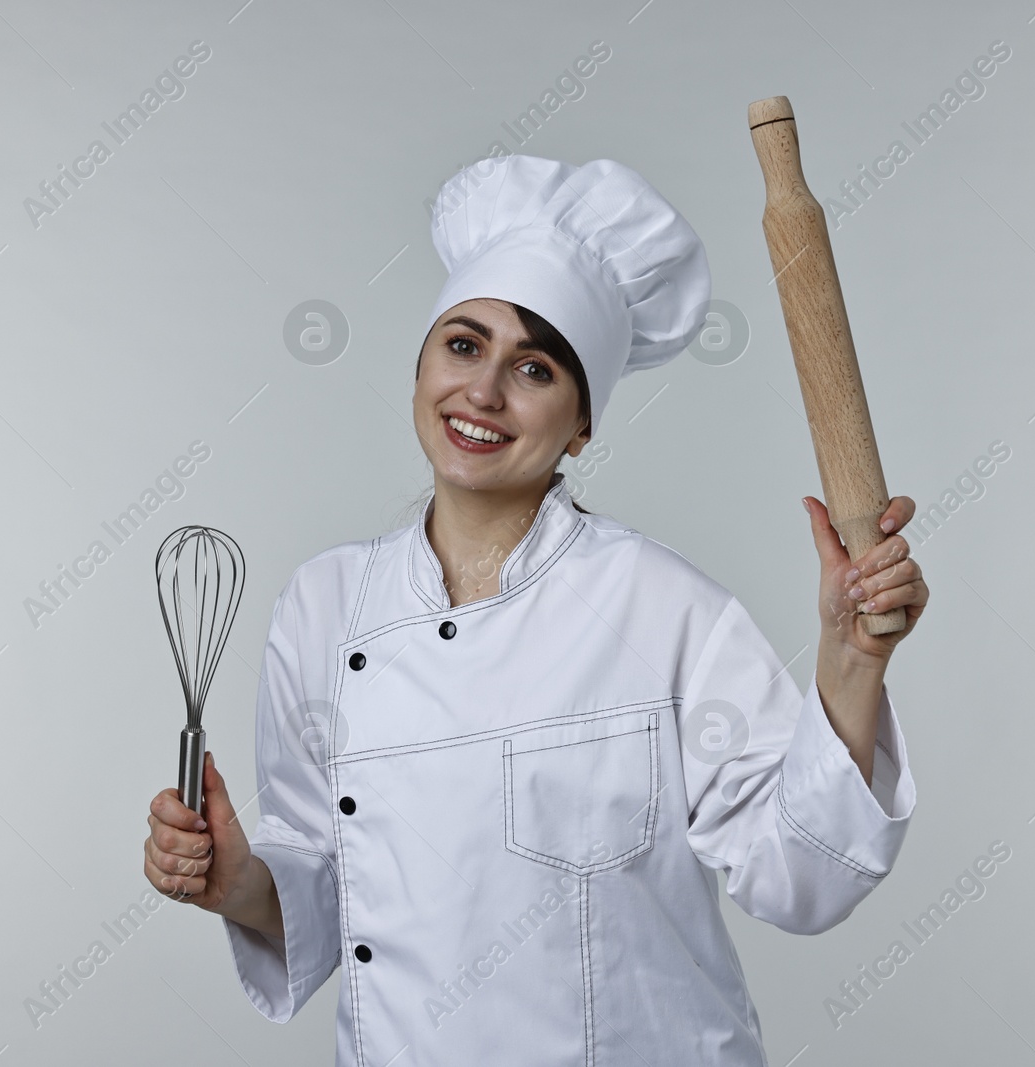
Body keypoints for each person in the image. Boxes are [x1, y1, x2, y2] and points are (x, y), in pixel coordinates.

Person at [143, 154, 929, 1064]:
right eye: (464, 345)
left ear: (583, 424)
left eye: (536, 368)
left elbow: (803, 874)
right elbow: (326, 884)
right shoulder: (324, 609)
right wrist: (238, 878)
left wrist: (851, 659)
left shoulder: (659, 608)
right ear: (421, 363)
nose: (482, 392)